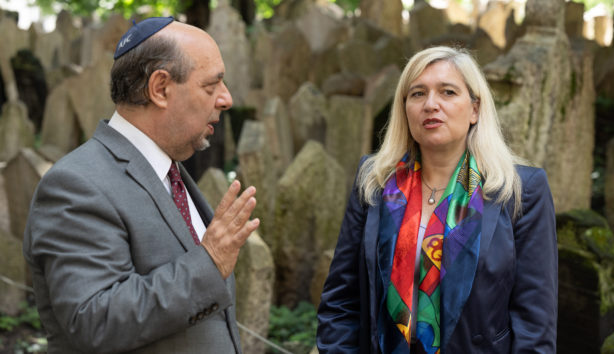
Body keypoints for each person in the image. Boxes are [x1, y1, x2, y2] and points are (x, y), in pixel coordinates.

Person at [23, 17, 259, 353]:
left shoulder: (170, 172)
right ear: (160, 88)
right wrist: (209, 264)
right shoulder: (76, 184)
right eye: (211, 86)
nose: (226, 99)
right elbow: (95, 320)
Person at [316, 46, 557, 353]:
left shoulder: (520, 189)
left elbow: (535, 321)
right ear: (404, 109)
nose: (431, 104)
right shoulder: (375, 182)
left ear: (475, 109)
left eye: (448, 92)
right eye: (417, 94)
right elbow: (341, 299)